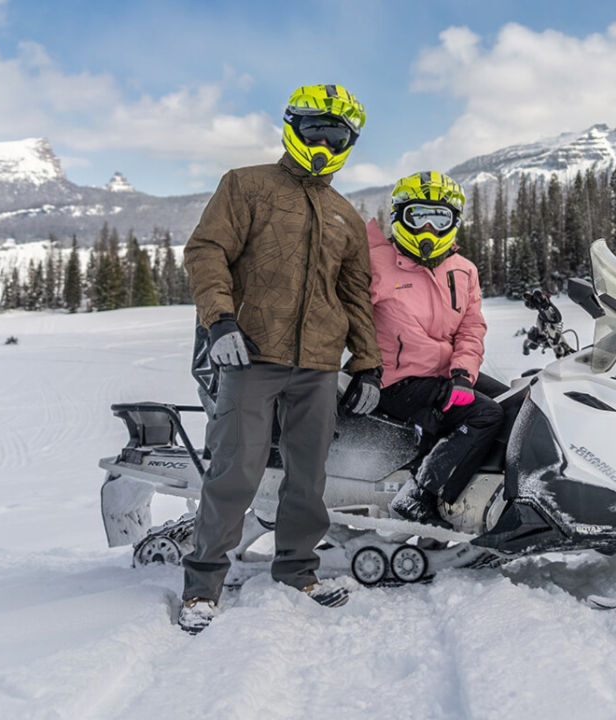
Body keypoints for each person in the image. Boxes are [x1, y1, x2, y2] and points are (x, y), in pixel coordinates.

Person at [178, 84, 383, 633]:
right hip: (251, 355)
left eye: (334, 133)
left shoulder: (345, 214)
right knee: (235, 472)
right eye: (314, 128)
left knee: (308, 477)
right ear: (293, 126)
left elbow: (355, 294)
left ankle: (298, 569)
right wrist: (219, 321)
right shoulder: (247, 185)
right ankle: (202, 584)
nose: (322, 140)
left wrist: (366, 361)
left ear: (348, 142)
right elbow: (207, 252)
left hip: (318, 366)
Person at [368, 171, 503, 527]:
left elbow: (471, 327)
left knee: (516, 404)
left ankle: (486, 500)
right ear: (400, 217)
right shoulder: (374, 264)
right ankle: (421, 495)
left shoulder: (463, 270)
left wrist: (462, 374)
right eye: (419, 216)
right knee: (485, 414)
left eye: (439, 218)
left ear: (454, 223)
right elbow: (344, 317)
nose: (428, 229)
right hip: (395, 379)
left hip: (446, 372)